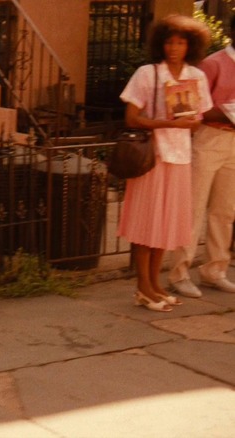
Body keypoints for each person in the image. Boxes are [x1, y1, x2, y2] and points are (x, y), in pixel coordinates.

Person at [118, 14, 212, 312]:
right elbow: (131, 118)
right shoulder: (148, 74)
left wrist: (191, 124)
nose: (174, 48)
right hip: (152, 157)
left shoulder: (196, 77)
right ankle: (142, 287)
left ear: (191, 45)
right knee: (147, 224)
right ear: (160, 43)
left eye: (181, 42)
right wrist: (166, 123)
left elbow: (199, 116)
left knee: (165, 225)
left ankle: (156, 285)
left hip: (181, 158)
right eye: (169, 42)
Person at [170, 15, 235, 297]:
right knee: (194, 207)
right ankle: (179, 272)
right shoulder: (213, 63)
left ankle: (215, 269)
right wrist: (228, 113)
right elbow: (194, 106)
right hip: (211, 137)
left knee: (225, 210)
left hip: (233, 141)